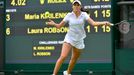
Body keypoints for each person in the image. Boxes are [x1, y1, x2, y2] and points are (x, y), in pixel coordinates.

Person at [46, 0, 111, 75]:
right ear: (72, 6)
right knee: (63, 56)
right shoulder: (69, 15)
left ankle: (68, 73)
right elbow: (59, 26)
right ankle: (54, 74)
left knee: (74, 59)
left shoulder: (84, 15)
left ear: (80, 7)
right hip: (69, 38)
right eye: (74, 5)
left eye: (77, 5)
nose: (76, 6)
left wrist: (104, 23)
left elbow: (93, 23)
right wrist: (54, 24)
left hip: (79, 40)